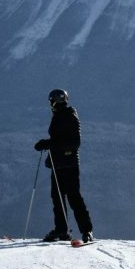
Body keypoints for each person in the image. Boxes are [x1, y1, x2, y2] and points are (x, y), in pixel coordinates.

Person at [34, 89, 94, 243]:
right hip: (60, 163)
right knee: (58, 197)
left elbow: (74, 143)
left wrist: (48, 143)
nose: (50, 105)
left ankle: (86, 231)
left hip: (68, 164)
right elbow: (63, 140)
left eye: (51, 101)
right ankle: (63, 230)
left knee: (73, 197)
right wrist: (49, 144)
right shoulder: (63, 115)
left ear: (55, 101)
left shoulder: (68, 115)